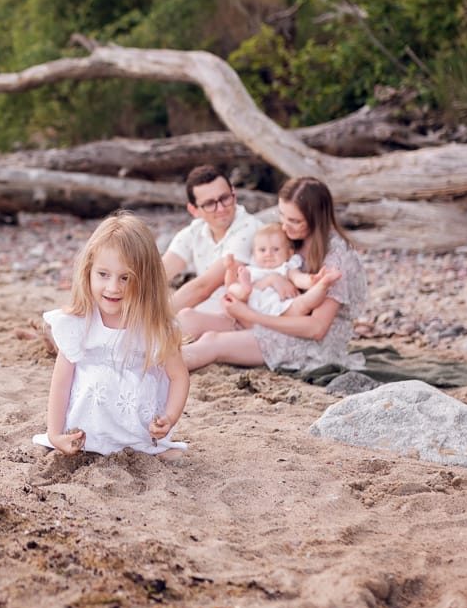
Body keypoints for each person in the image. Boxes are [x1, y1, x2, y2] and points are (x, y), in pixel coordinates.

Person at [35, 211, 191, 458]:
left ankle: (146, 447)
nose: (112, 287)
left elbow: (178, 377)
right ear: (88, 271)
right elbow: (62, 381)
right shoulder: (79, 322)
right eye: (103, 274)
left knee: (175, 458)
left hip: (137, 435)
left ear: (145, 280)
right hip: (85, 434)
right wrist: (55, 434)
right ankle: (75, 442)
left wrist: (169, 418)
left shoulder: (154, 328)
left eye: (125, 278)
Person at [181, 177, 368, 373]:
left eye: (294, 221)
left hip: (305, 341)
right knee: (188, 318)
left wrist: (252, 317)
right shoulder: (284, 237)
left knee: (212, 341)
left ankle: (154, 368)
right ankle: (148, 349)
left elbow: (316, 329)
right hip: (265, 314)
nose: (285, 227)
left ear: (316, 219)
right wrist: (267, 282)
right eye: (282, 215)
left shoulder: (337, 257)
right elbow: (255, 275)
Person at [162, 165, 262, 321]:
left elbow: (203, 287)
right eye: (209, 204)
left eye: (224, 198)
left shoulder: (249, 230)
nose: (220, 208)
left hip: (240, 320)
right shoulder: (195, 231)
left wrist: (153, 317)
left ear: (234, 195)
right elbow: (158, 272)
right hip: (206, 315)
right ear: (194, 210)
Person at [227, 223, 342, 318]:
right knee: (233, 288)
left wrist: (312, 280)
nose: (268, 254)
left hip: (283, 308)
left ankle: (323, 284)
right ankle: (244, 290)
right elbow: (231, 286)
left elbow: (298, 278)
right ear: (254, 254)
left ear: (289, 253)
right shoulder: (250, 270)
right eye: (262, 250)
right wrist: (231, 269)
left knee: (303, 303)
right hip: (252, 305)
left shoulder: (286, 267)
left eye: (275, 249)